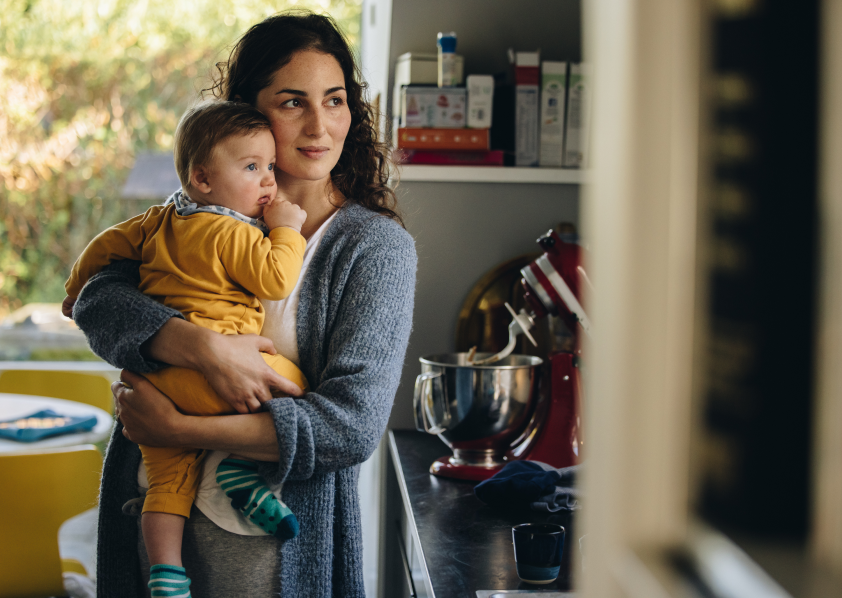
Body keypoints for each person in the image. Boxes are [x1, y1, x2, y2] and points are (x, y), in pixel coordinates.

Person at [69, 10, 416, 598]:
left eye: (334, 100)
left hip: (269, 563)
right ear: (250, 114)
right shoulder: (200, 207)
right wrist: (202, 348)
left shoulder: (373, 248)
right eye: (292, 102)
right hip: (153, 536)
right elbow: (98, 300)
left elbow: (351, 427)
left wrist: (181, 425)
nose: (319, 126)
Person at [64, 100, 310, 597]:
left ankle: (167, 573)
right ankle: (241, 469)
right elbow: (277, 277)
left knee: (167, 483)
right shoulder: (230, 231)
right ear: (202, 178)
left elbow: (104, 246)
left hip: (159, 384)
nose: (268, 181)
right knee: (292, 383)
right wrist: (286, 228)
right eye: (252, 168)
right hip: (223, 380)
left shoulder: (159, 219)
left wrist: (75, 287)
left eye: (268, 166)